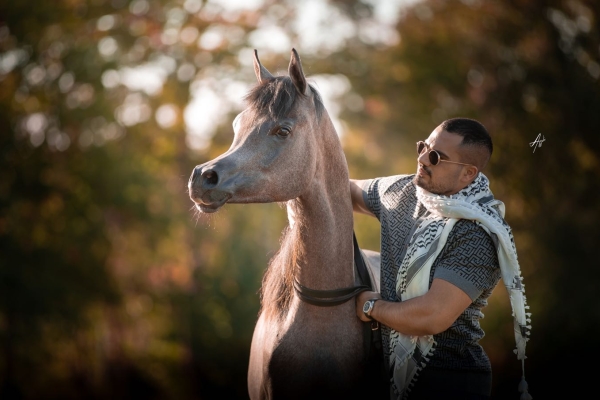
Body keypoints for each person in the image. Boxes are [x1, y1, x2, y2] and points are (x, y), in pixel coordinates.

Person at [351, 118, 532, 400]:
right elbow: (344, 190)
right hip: (388, 379)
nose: (422, 159)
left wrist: (371, 306)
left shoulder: (477, 232)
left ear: (468, 174)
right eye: (423, 147)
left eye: (436, 157)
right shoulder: (402, 191)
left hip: (451, 382)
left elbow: (432, 316)